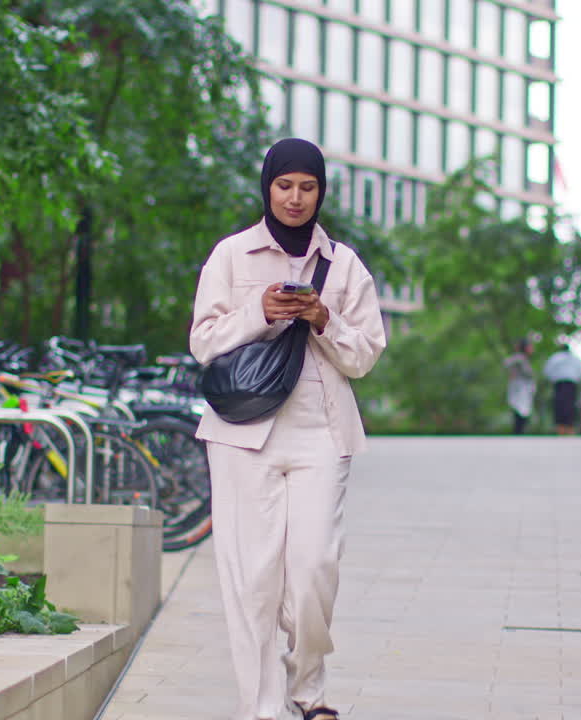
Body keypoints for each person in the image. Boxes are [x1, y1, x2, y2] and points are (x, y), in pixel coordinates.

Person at [189, 138, 387, 720]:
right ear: (267, 187)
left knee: (312, 570)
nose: (296, 198)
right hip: (241, 433)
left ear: (320, 191)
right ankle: (266, 707)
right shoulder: (231, 255)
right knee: (251, 580)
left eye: (307, 186)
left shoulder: (344, 264)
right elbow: (203, 342)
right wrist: (261, 312)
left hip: (321, 432)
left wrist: (324, 319)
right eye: (285, 185)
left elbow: (366, 356)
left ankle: (309, 686)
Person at [543, 343, 581, 436]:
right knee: (570, 406)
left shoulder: (555, 358)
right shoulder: (575, 359)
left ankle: (562, 429)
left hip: (560, 384)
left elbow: (547, 371)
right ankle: (569, 428)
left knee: (560, 406)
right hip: (571, 385)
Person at [503, 338, 536, 434]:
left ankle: (520, 432)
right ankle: (518, 432)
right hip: (520, 388)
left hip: (524, 388)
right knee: (520, 410)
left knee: (523, 410)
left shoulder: (524, 359)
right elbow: (507, 363)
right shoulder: (519, 358)